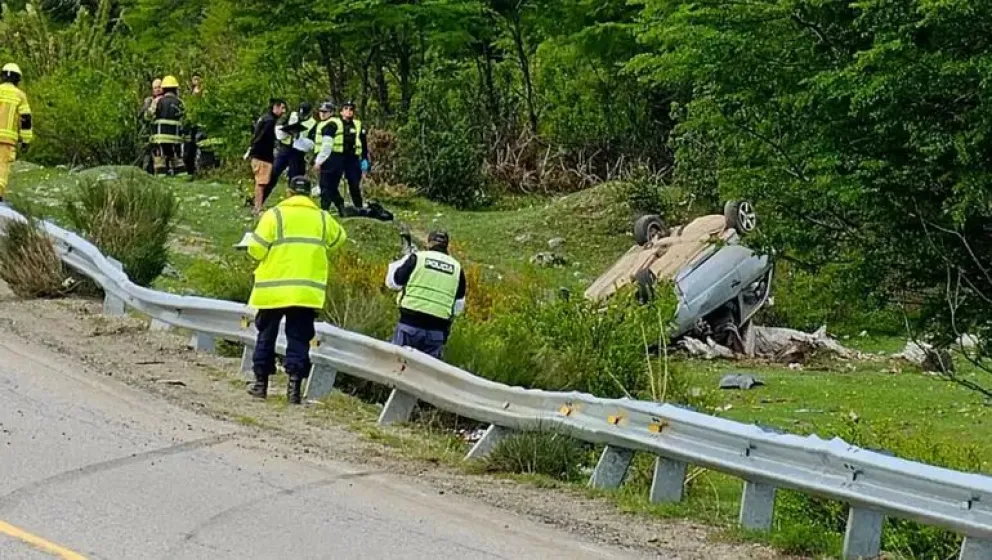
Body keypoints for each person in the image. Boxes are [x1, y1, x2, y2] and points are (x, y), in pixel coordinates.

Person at [245, 175, 347, 404]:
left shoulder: (275, 215)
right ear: (310, 194)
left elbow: (256, 250)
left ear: (289, 192)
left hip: (273, 290)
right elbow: (339, 238)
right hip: (305, 292)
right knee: (299, 338)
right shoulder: (322, 218)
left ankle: (261, 385)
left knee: (266, 335)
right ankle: (294, 390)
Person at [385, 230, 466, 359]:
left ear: (428, 243)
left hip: (409, 325)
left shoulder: (417, 258)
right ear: (447, 245)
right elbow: (458, 307)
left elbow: (393, 283)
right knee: (424, 375)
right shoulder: (457, 268)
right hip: (436, 332)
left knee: (396, 366)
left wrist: (398, 262)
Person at [311, 100, 370, 216]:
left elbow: (363, 143)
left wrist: (364, 159)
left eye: (351, 109)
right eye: (346, 109)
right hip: (338, 157)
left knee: (354, 184)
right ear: (341, 111)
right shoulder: (336, 123)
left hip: (352, 158)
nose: (349, 111)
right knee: (330, 185)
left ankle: (358, 208)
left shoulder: (357, 124)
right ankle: (337, 207)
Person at [263, 102, 314, 205]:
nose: (301, 117)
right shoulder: (291, 115)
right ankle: (260, 199)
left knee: (294, 178)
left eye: (304, 115)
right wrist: (286, 131)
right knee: (272, 174)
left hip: (298, 152)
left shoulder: (313, 123)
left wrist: (300, 138)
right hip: (285, 149)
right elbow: (278, 128)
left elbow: (312, 144)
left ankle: (292, 203)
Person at [248, 98, 287, 215]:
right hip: (262, 156)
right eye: (282, 108)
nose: (283, 111)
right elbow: (261, 138)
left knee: (260, 182)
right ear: (275, 107)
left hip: (258, 155)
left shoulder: (264, 118)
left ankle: (257, 206)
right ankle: (257, 208)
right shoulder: (270, 121)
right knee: (261, 183)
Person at [0, 62, 32, 203]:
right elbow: (25, 119)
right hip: (7, 140)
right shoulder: (20, 96)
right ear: (17, 79)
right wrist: (26, 140)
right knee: (2, 167)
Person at [145, 75, 185, 176]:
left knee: (160, 160)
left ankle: (161, 177)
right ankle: (181, 177)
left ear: (163, 88)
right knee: (176, 158)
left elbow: (148, 116)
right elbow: (185, 119)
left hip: (160, 137)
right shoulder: (180, 102)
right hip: (175, 138)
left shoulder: (158, 101)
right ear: (176, 89)